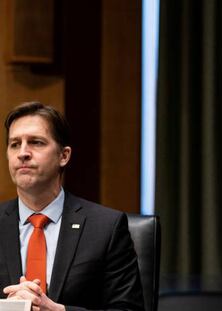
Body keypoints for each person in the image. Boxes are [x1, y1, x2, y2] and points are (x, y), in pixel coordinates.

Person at [0, 102, 144, 311]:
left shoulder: (105, 228)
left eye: (36, 142)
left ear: (64, 156)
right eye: (14, 144)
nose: (23, 152)